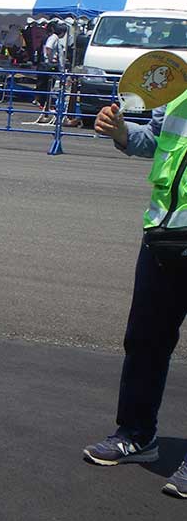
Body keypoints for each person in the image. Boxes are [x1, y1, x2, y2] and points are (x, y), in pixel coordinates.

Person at [83, 102, 187, 498]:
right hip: (164, 236)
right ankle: (137, 435)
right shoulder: (177, 86)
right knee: (144, 340)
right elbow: (153, 139)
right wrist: (121, 132)